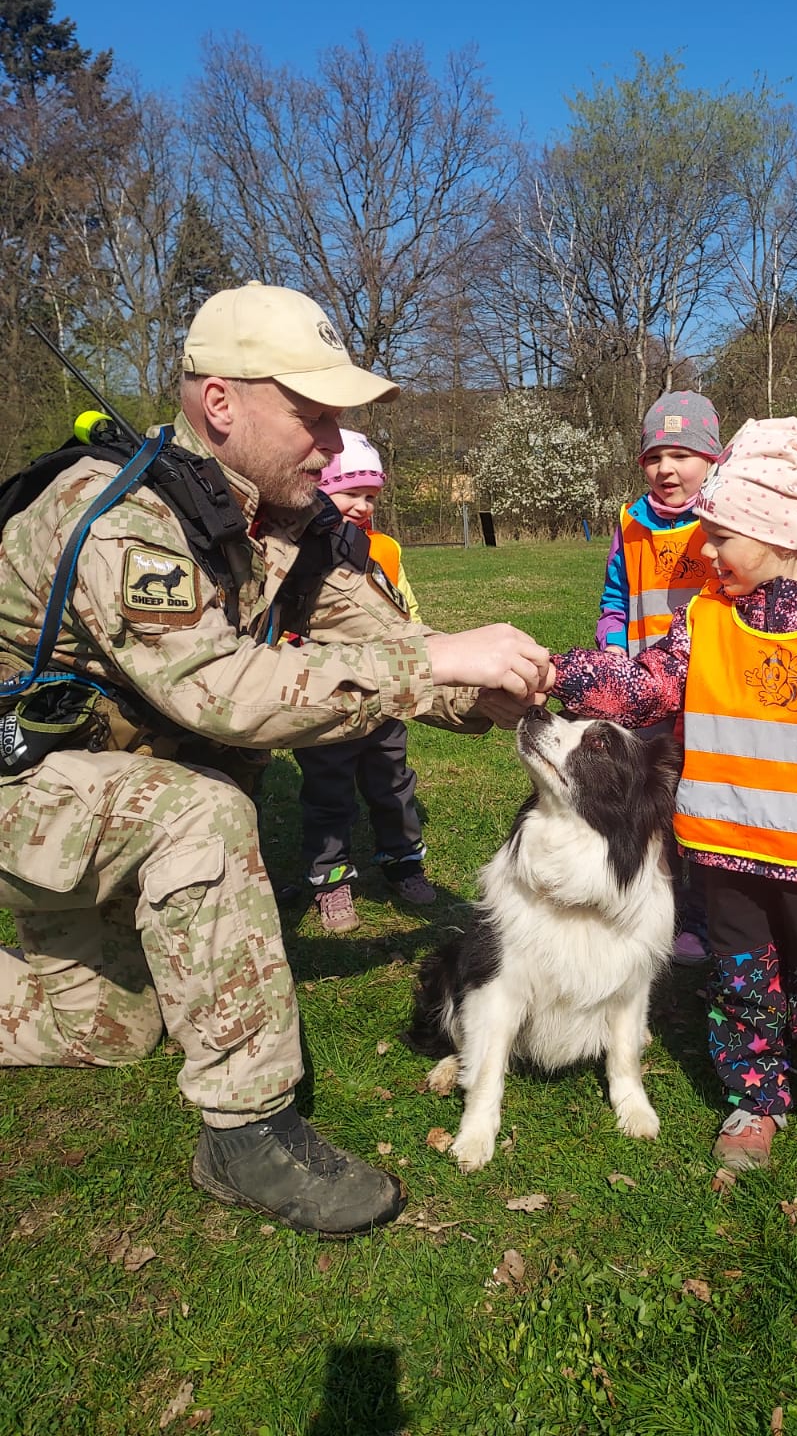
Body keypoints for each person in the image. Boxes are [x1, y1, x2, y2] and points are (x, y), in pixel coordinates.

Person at [0, 282, 551, 1239]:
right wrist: (432, 662)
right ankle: (245, 1133)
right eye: (313, 414)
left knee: (122, 1027)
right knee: (202, 810)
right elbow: (218, 690)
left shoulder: (285, 530)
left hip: (99, 800)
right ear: (222, 403)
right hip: (24, 785)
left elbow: (387, 642)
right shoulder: (120, 517)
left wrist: (482, 693)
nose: (333, 444)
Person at [554, 417, 797, 1190]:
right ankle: (754, 1097)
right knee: (739, 978)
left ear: (778, 536)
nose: (704, 550)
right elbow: (645, 685)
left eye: (721, 535)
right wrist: (557, 674)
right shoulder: (706, 619)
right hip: (725, 850)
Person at [596, 391, 722, 964]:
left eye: (682, 455)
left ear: (713, 460)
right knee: (654, 805)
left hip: (713, 695)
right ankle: (656, 909)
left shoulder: (727, 518)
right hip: (646, 695)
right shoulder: (630, 522)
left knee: (705, 806)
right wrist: (614, 643)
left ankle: (703, 916)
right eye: (654, 457)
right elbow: (616, 596)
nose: (667, 470)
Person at [293, 431, 436, 932]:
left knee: (392, 781)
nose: (361, 506)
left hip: (385, 688)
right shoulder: (296, 548)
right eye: (349, 493)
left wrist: (418, 650)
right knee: (328, 789)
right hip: (325, 693)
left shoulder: (386, 548)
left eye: (370, 496)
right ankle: (330, 878)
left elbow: (405, 606)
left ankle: (403, 861)